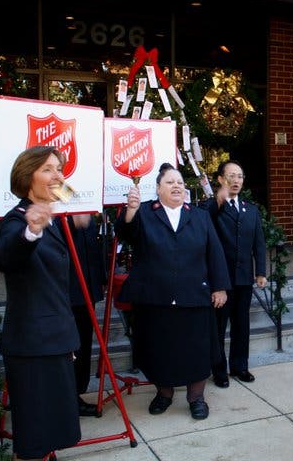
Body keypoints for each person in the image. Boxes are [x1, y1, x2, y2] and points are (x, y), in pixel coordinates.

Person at [115, 163, 230, 420]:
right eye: (170, 182)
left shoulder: (199, 216)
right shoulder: (144, 212)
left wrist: (220, 286)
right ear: (158, 189)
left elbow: (214, 251)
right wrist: (130, 210)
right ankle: (164, 394)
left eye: (180, 182)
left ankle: (196, 398)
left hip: (194, 297)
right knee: (159, 350)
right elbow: (124, 233)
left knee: (197, 350)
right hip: (155, 298)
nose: (177, 185)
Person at [0, 146, 81, 460]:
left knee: (50, 438)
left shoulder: (55, 218)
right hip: (32, 347)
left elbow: (56, 286)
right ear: (26, 176)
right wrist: (31, 231)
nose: (57, 176)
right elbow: (6, 256)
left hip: (55, 340)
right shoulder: (17, 220)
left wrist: (67, 338)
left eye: (59, 168)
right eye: (47, 169)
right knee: (33, 443)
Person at [202, 160, 267, 388]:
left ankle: (240, 366)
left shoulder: (251, 209)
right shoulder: (213, 208)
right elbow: (203, 223)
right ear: (220, 179)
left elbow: (259, 242)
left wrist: (260, 271)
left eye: (239, 176)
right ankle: (219, 370)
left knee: (242, 325)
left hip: (243, 279)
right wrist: (218, 198)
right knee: (219, 327)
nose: (236, 180)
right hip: (221, 280)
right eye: (231, 176)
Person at [66, 214, 107, 417]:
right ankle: (68, 398)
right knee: (70, 348)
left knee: (83, 345)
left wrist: (101, 278)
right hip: (66, 291)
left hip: (87, 290)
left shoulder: (84, 203)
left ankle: (77, 393)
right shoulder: (55, 202)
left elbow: (93, 246)